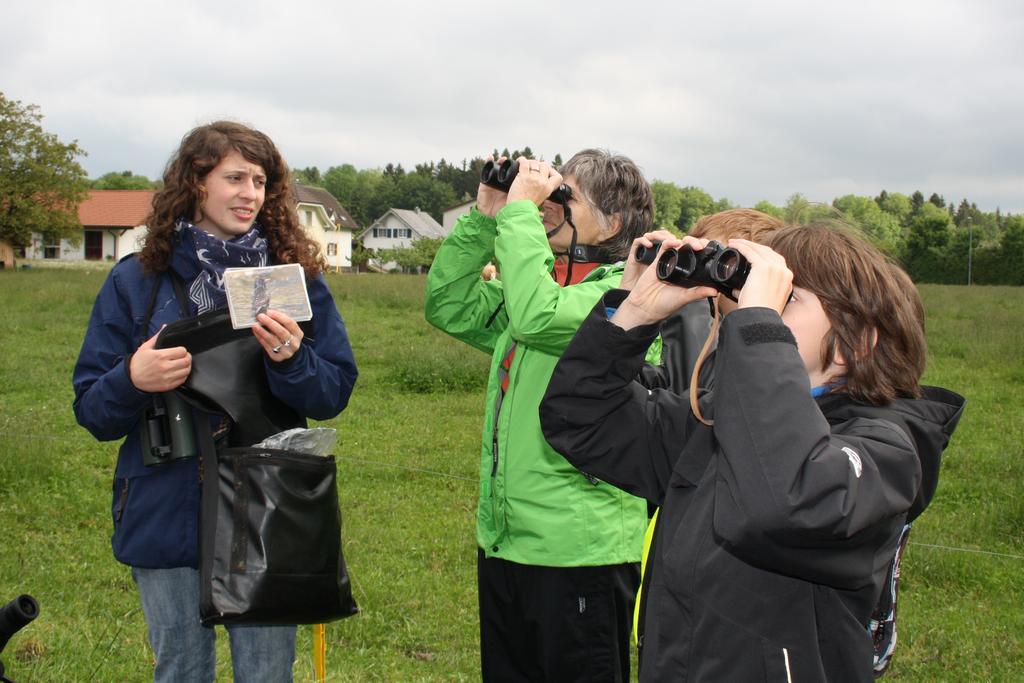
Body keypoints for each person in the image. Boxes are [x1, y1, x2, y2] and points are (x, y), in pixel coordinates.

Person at [540, 222, 964, 681]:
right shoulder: (713, 424)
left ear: (854, 343)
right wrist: (634, 311)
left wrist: (760, 325)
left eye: (786, 297)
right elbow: (579, 417)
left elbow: (788, 501)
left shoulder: (888, 451)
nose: (748, 306)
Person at [72, 121, 358, 682]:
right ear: (195, 182)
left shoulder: (293, 281)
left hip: (268, 508)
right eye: (234, 178)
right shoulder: (138, 281)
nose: (250, 194)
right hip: (165, 506)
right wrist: (133, 377)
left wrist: (292, 360)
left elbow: (333, 392)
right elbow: (92, 411)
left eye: (260, 181)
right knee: (181, 669)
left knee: (267, 673)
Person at [424, 150, 655, 682]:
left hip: (580, 551)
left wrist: (519, 212)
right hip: (508, 540)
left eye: (564, 196)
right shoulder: (545, 285)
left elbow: (535, 318)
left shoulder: (628, 298)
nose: (549, 204)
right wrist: (487, 216)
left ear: (613, 223)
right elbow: (448, 304)